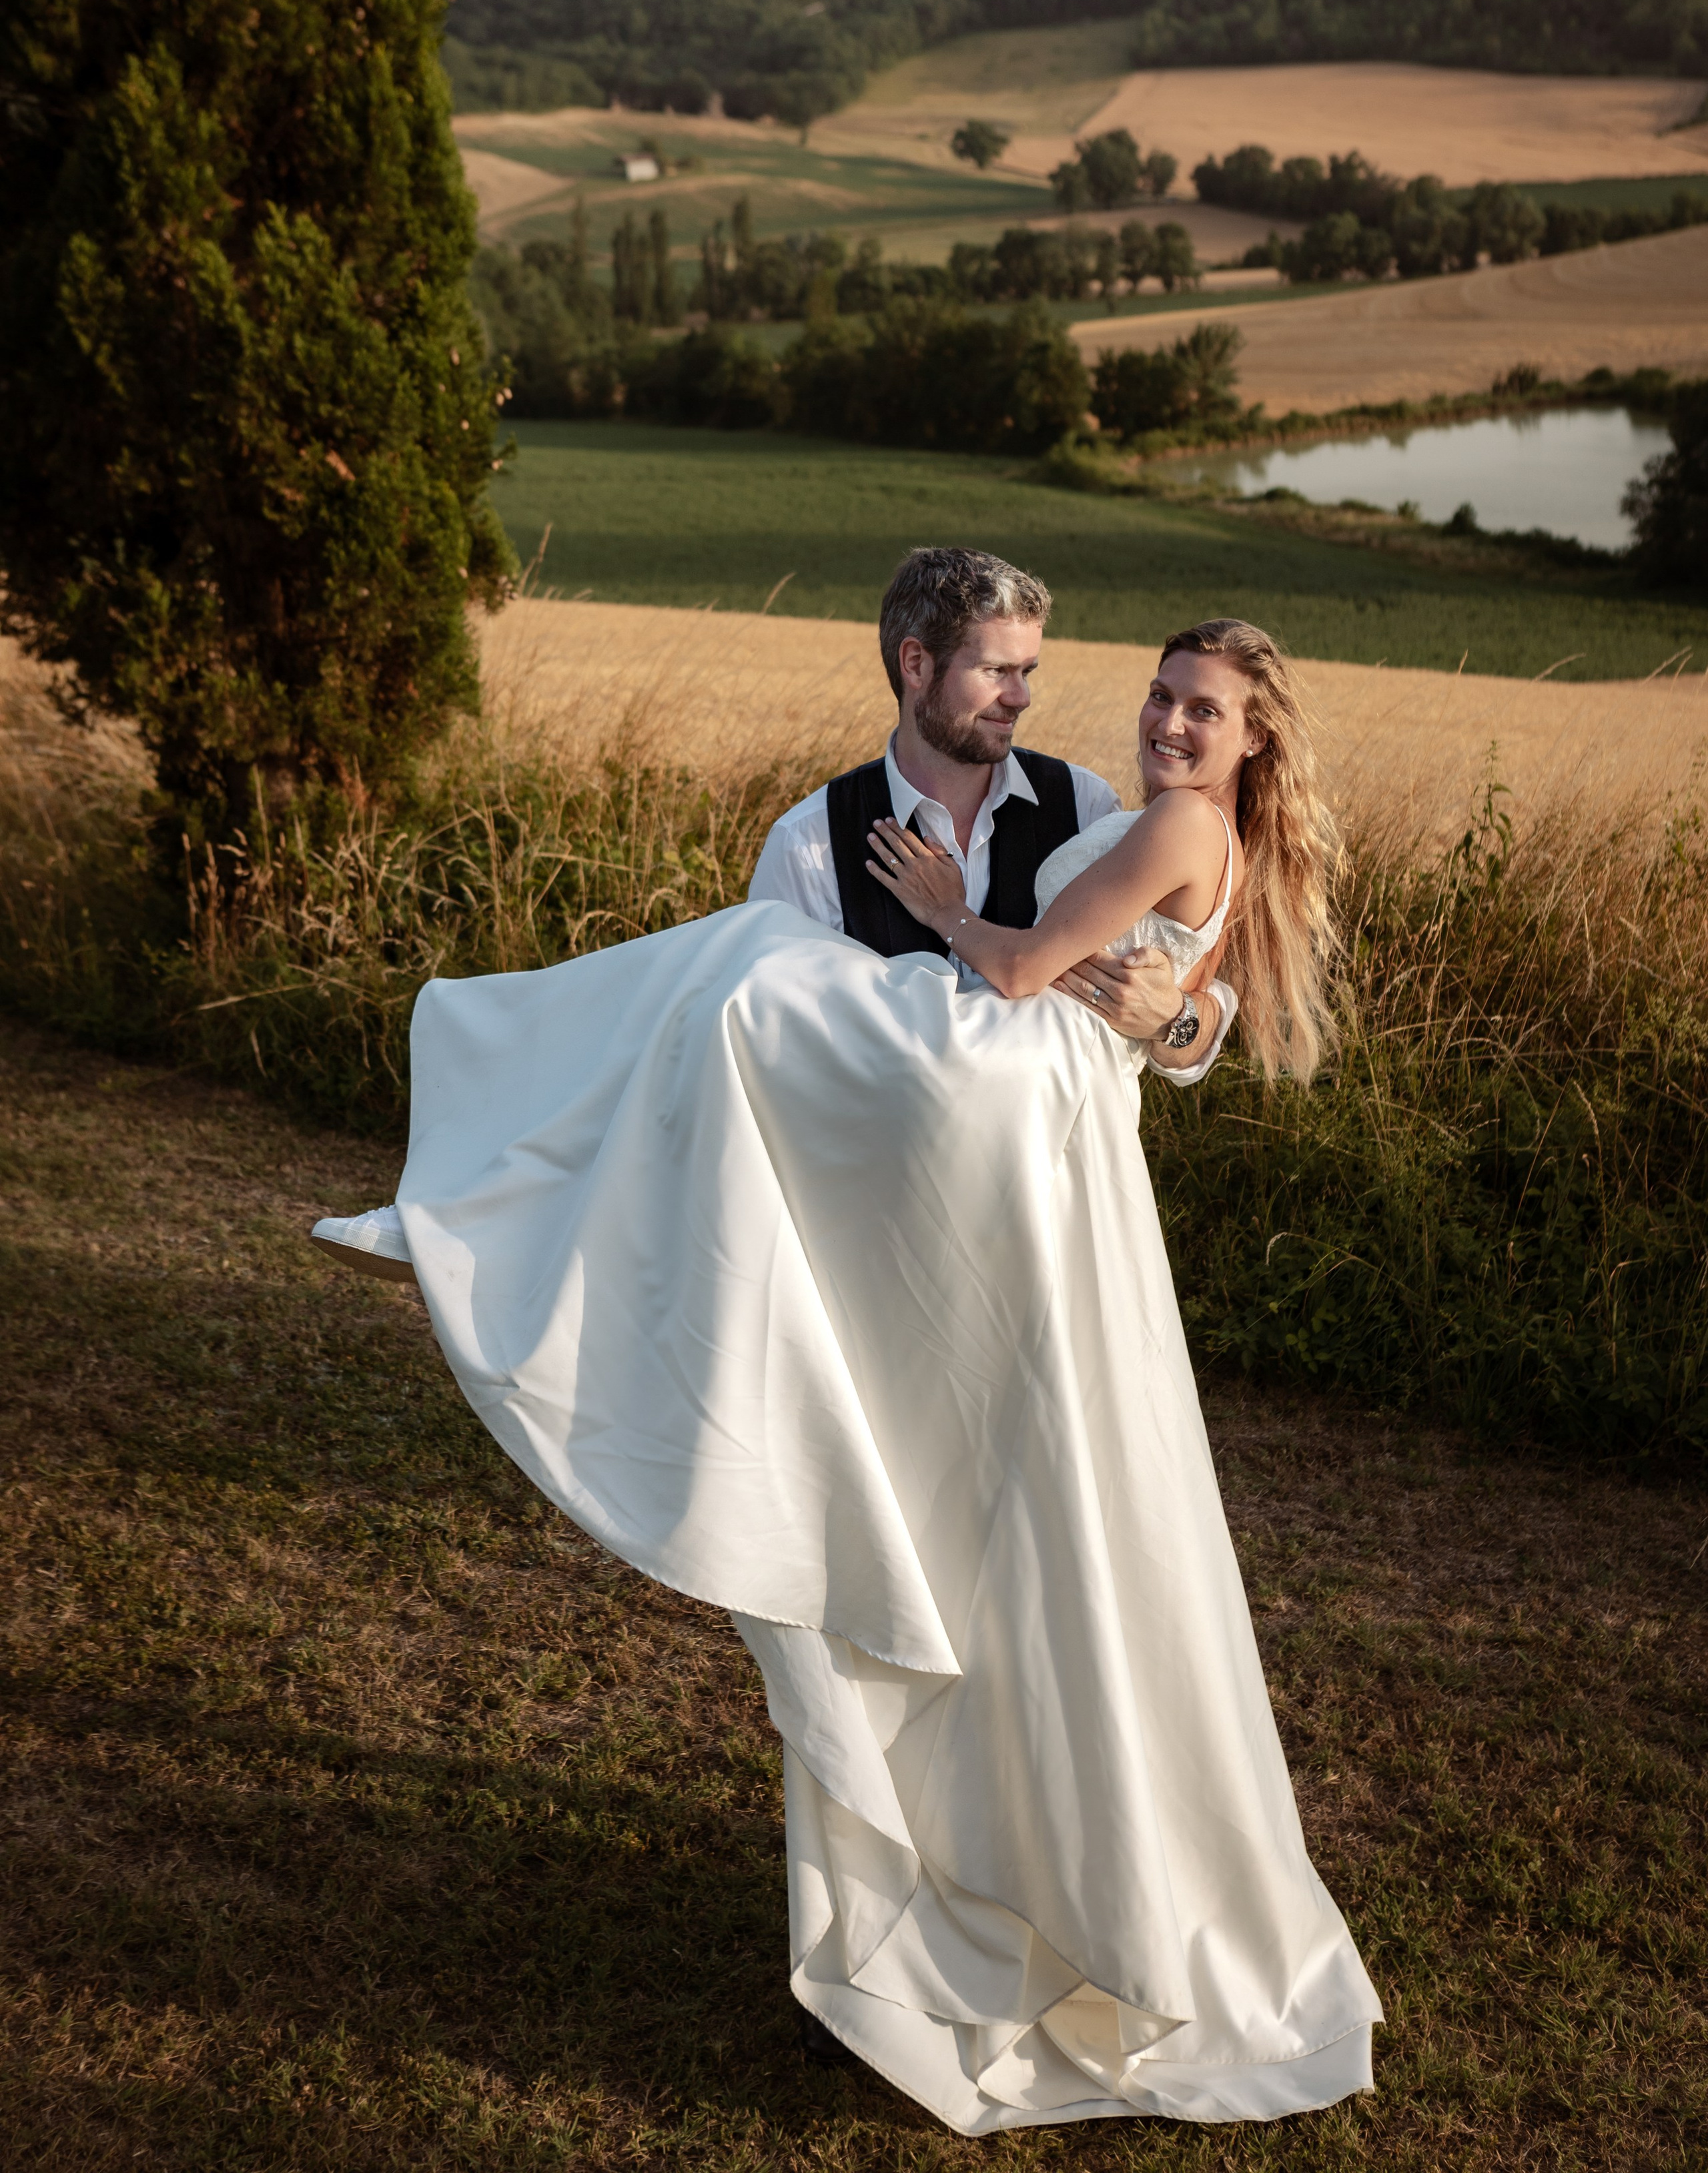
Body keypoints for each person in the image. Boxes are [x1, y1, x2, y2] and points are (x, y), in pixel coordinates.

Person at [310, 613, 1380, 2132]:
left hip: (995, 1104)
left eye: (1198, 707)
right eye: (1154, 693)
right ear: (911, 670)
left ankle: (492, 1180)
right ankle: (520, 1203)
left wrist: (973, 919)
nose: (1153, 718)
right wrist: (1148, 988)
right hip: (970, 1126)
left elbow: (1101, 993)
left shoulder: (1113, 811)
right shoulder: (816, 830)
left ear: (1251, 738)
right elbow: (1157, 964)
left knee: (740, 980)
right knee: (742, 967)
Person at [749, 548, 1238, 1085]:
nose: (1021, 697)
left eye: (1027, 671)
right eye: (996, 671)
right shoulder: (808, 844)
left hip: (1056, 1161)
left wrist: (1173, 1021)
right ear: (916, 665)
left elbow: (1198, 997)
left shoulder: (1086, 806)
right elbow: (770, 1044)